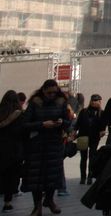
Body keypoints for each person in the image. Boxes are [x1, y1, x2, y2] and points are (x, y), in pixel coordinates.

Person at [22, 79, 72, 216]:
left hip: (54, 144)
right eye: (49, 93)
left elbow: (68, 122)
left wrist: (62, 122)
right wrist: (42, 124)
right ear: (43, 90)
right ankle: (36, 206)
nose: (52, 95)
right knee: (35, 177)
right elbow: (25, 124)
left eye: (54, 92)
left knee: (53, 176)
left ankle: (49, 200)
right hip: (37, 144)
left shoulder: (61, 102)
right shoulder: (35, 103)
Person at [0, 90, 25, 212]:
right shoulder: (20, 115)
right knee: (11, 176)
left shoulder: (1, 113)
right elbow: (23, 133)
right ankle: (7, 202)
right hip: (14, 150)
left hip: (1, 148)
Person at [73, 94, 104, 184]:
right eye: (94, 100)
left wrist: (102, 130)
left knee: (92, 157)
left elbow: (103, 124)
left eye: (97, 101)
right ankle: (83, 177)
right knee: (83, 157)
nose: (95, 102)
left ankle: (90, 176)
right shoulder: (84, 111)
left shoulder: (101, 112)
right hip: (83, 136)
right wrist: (74, 132)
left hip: (94, 137)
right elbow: (78, 123)